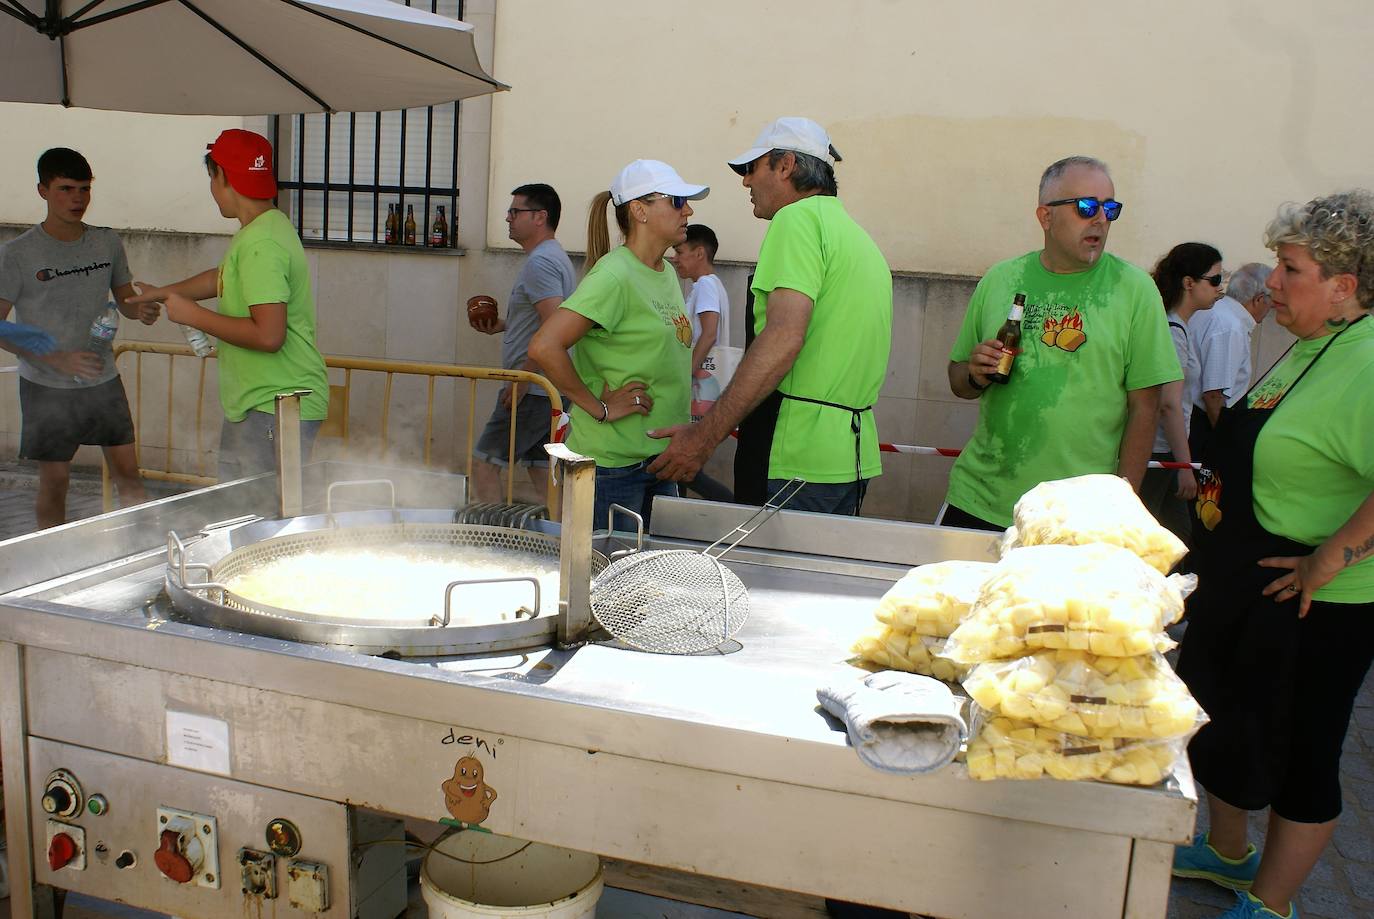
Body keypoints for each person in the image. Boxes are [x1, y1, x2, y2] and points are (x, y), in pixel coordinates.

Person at [1173, 191, 1374, 919]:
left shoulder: (1369, 359)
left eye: (1290, 269)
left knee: (1303, 753)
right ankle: (1228, 854)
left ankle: (1271, 904)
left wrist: (1329, 559)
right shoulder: (1312, 344)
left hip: (1320, 600)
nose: (1272, 284)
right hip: (1248, 573)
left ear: (1344, 285)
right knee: (1222, 716)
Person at [647, 117, 893, 516]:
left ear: (786, 166)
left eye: (752, 168)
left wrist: (703, 438)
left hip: (794, 457)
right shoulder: (857, 238)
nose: (745, 181)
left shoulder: (796, 220)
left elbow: (782, 337)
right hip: (849, 458)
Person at [939, 155, 1181, 531]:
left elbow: (1145, 409)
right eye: (1086, 207)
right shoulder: (1002, 279)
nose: (1100, 219)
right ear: (1045, 217)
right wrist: (974, 373)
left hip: (1076, 515)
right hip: (982, 500)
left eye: (1110, 208)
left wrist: (1123, 506)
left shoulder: (1135, 290)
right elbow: (957, 381)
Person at [128, 130, 329, 481]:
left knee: (254, 521)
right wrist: (164, 293)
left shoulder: (261, 243)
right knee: (248, 515)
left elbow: (269, 336)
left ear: (222, 176)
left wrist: (194, 316)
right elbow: (221, 278)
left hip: (274, 404)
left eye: (211, 177)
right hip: (268, 402)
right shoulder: (267, 228)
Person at [527, 160, 707, 528]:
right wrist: (599, 408)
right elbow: (544, 346)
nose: (688, 210)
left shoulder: (667, 272)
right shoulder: (614, 274)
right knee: (606, 582)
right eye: (676, 200)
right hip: (615, 468)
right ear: (639, 210)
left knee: (648, 582)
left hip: (658, 460)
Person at [0, 147, 157, 528]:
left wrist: (142, 309)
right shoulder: (18, 254)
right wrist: (56, 359)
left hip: (102, 379)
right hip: (45, 385)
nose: (77, 199)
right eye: (66, 189)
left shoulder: (106, 242)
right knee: (55, 484)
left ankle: (136, 553)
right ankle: (53, 569)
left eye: (84, 189)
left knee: (129, 479)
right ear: (42, 190)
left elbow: (125, 301)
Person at [469, 183, 576, 505]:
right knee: (541, 471)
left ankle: (492, 545)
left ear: (540, 217)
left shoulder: (540, 264)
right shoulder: (554, 257)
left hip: (534, 389)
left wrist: (523, 381)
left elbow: (555, 326)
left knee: (483, 464)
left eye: (516, 212)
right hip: (548, 389)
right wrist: (503, 326)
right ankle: (558, 544)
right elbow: (550, 320)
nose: (507, 218)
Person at [1138, 242, 1223, 540]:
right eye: (1214, 280)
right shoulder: (1173, 331)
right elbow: (1169, 405)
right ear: (1189, 283)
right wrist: (1185, 465)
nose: (1219, 288)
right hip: (1159, 453)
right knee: (1160, 540)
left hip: (1163, 451)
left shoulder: (1175, 326)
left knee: (1176, 538)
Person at [1187, 262, 1273, 460]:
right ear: (1259, 299)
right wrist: (1226, 443)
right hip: (1203, 426)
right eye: (1271, 301)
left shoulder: (1217, 311)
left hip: (1194, 419)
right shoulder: (1229, 325)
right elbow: (1214, 395)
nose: (1271, 308)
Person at [671, 223, 731, 379]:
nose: (674, 259)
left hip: (702, 380)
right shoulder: (713, 284)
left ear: (699, 253)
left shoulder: (706, 284)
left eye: (679, 252)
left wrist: (684, 375)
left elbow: (709, 334)